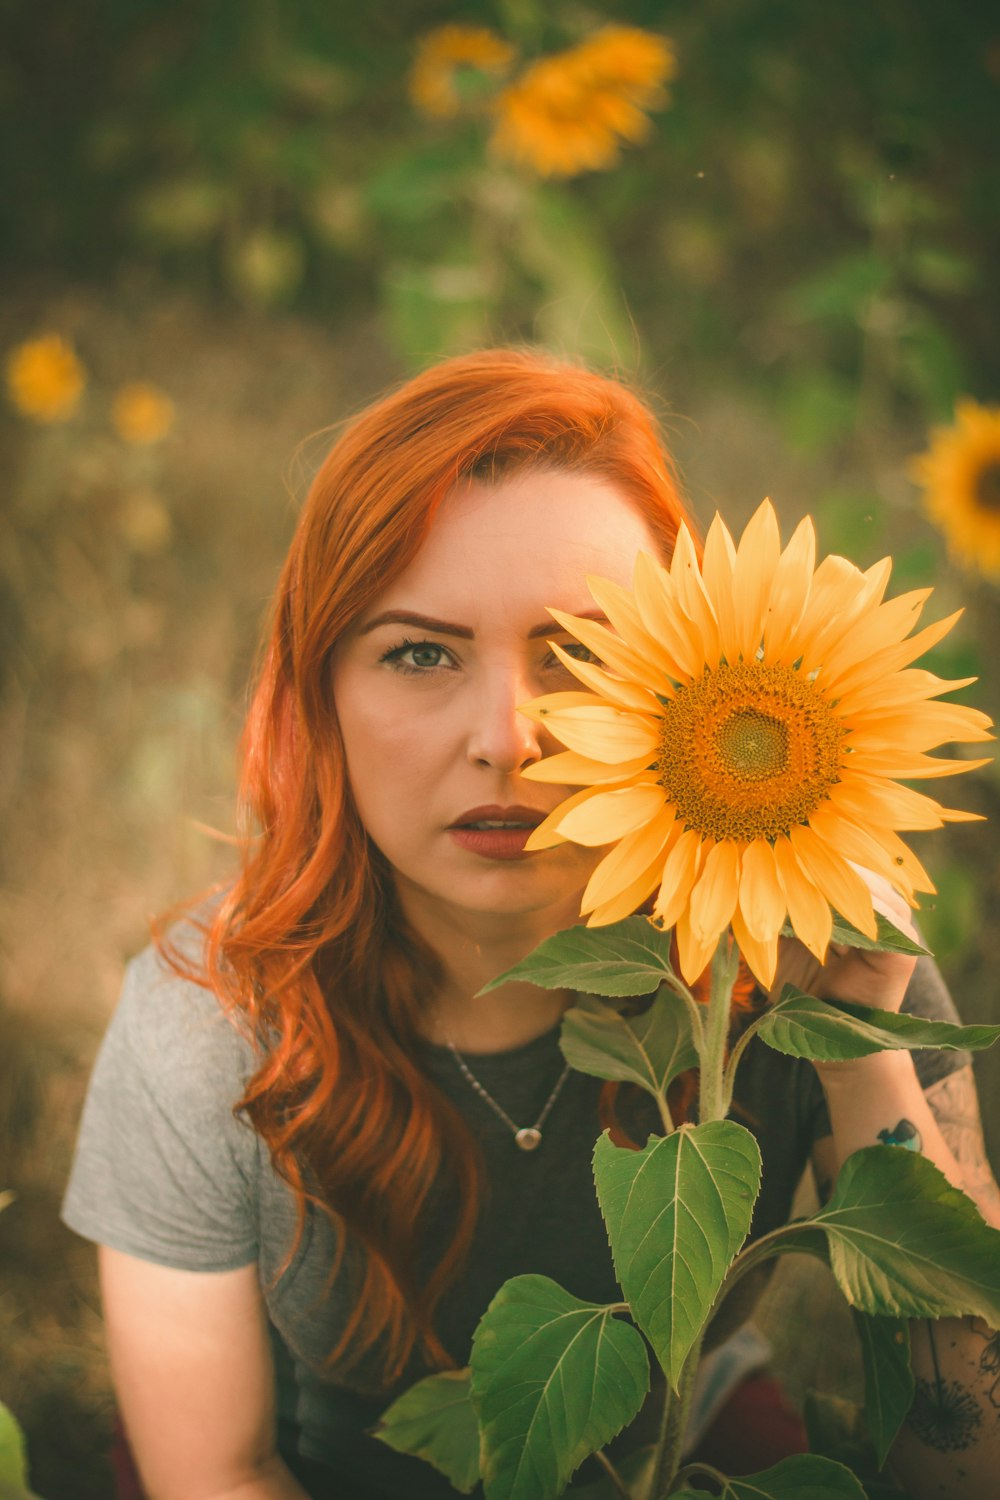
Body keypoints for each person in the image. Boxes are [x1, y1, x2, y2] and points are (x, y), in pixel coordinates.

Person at [62, 349, 1000, 1500]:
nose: (507, 737)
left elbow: (966, 1466)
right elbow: (216, 1472)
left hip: (684, 1449)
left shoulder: (797, 945)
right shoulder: (209, 1021)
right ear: (320, 694)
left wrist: (859, 1054)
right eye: (419, 652)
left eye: (581, 653)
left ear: (686, 672)